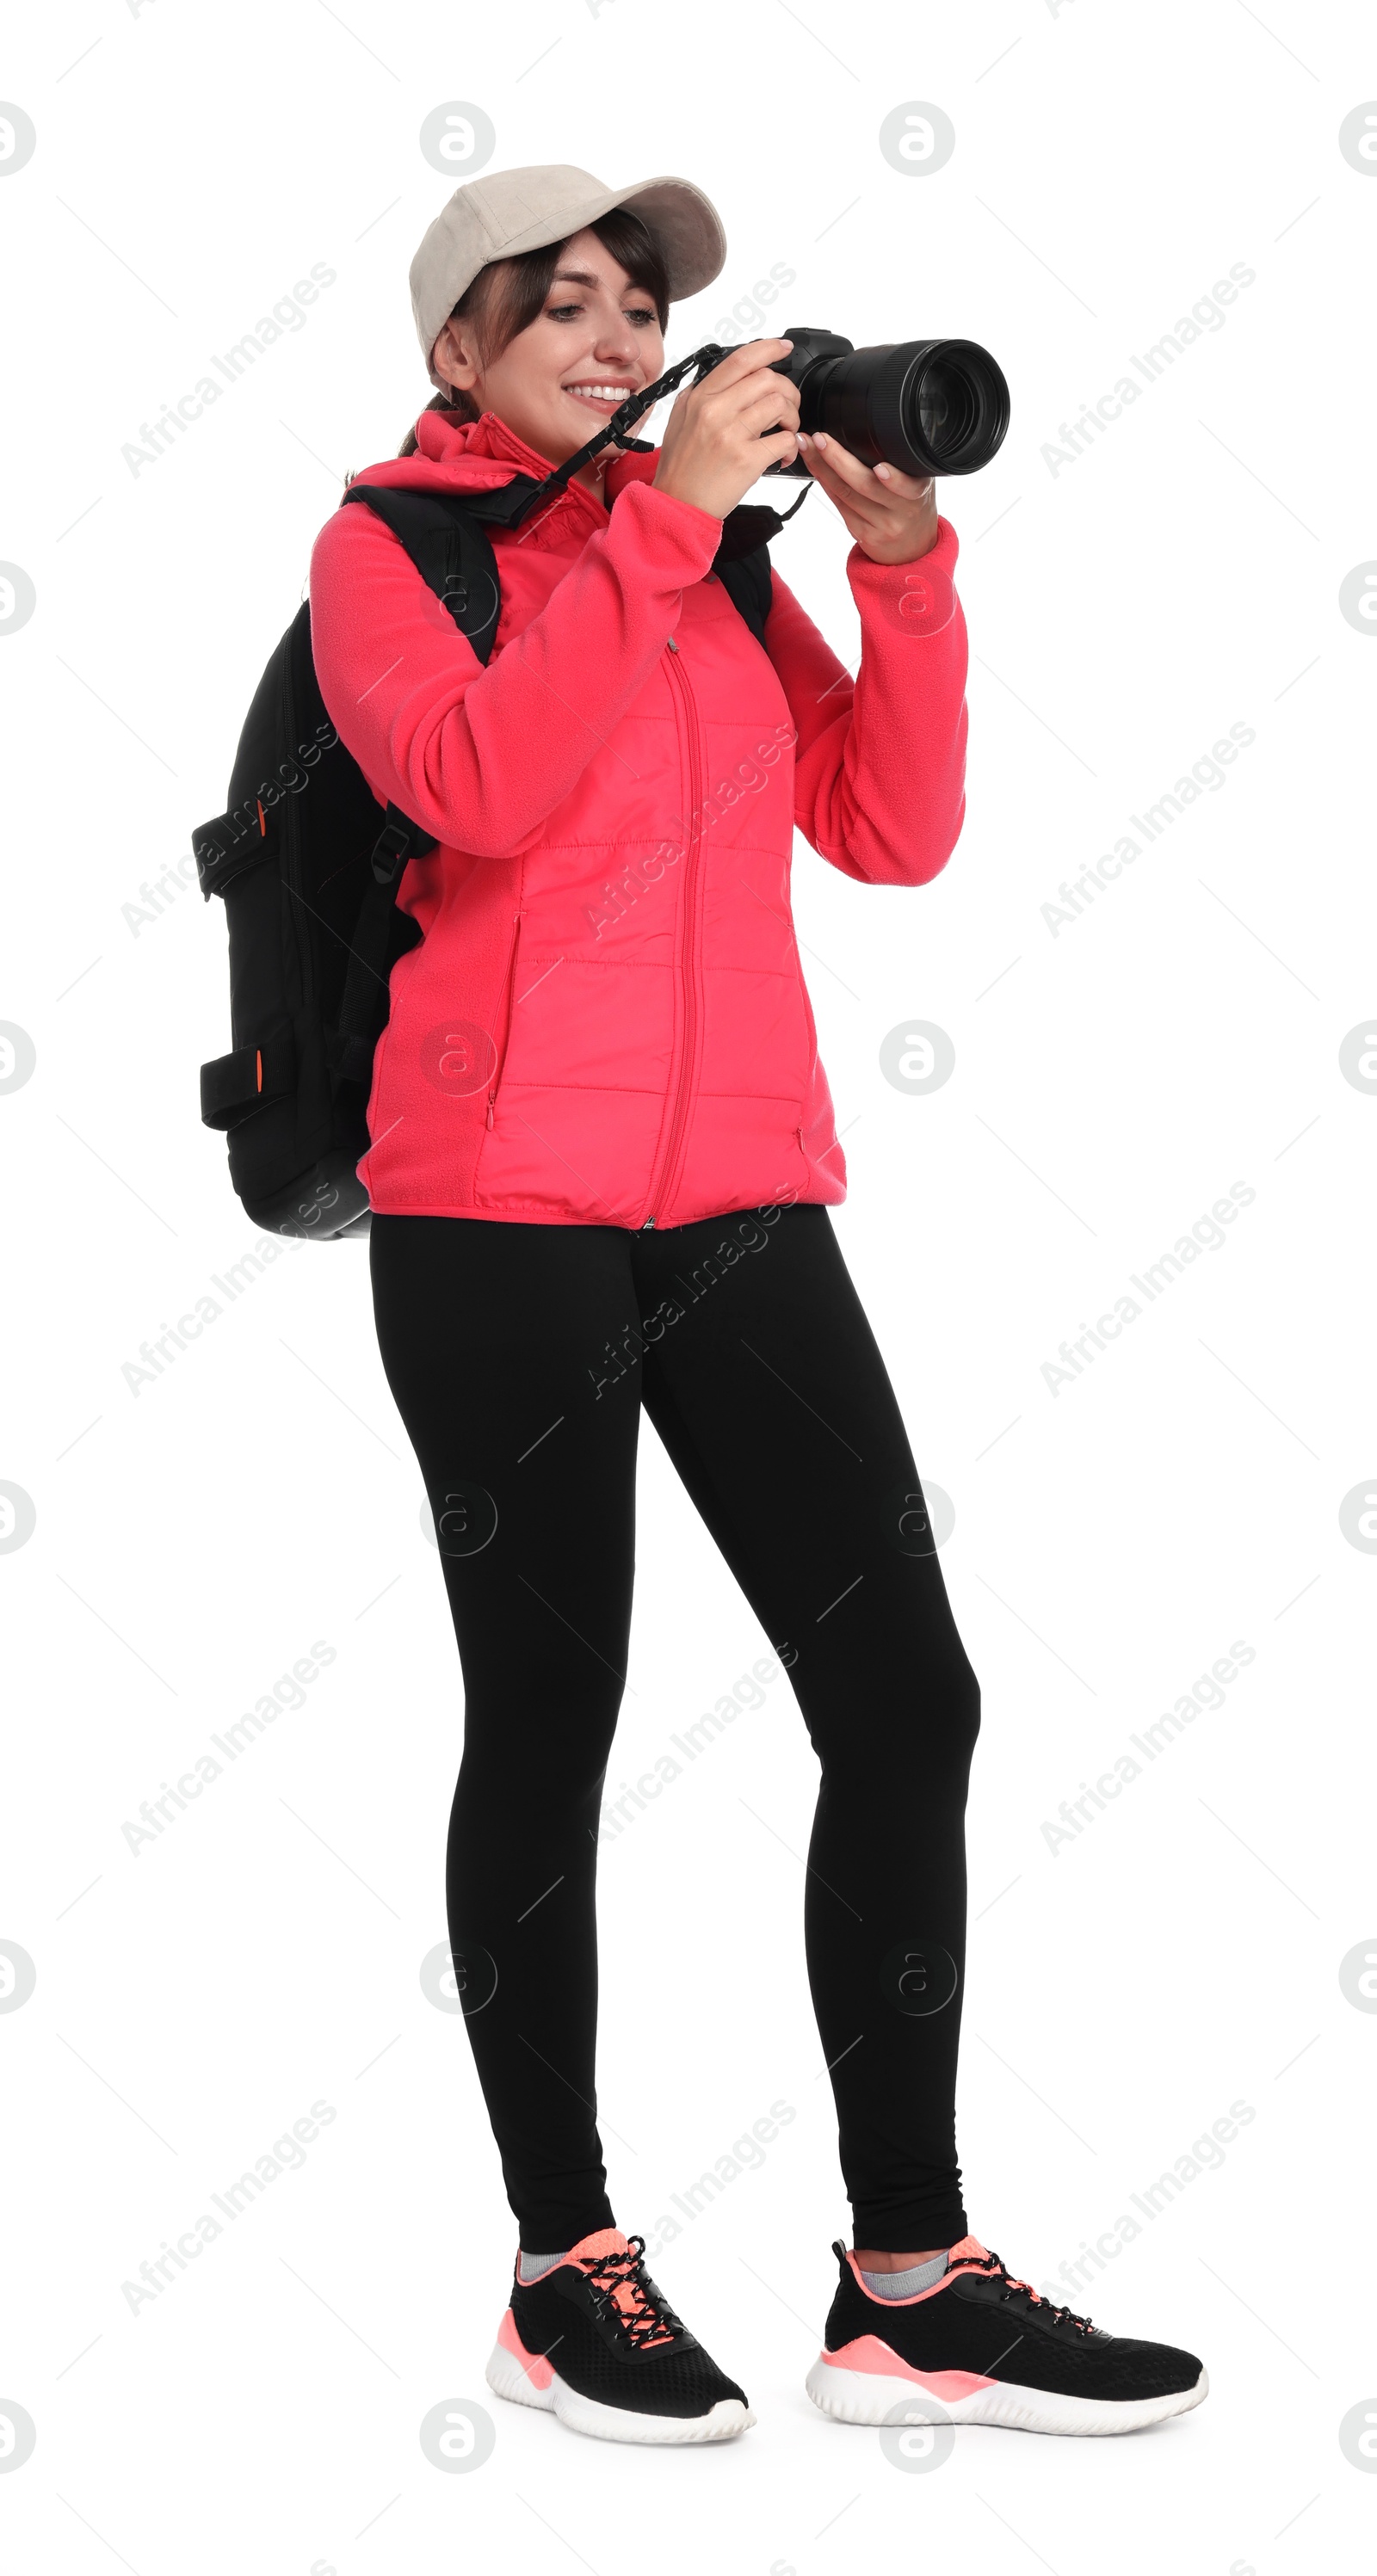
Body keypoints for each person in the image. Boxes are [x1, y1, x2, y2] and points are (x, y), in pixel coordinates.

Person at [308, 163, 1207, 2445]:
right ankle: (560, 2258)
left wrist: (898, 576)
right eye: (567, 309)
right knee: (554, 1715)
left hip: (738, 1202)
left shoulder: (706, 560)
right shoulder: (390, 556)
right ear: (461, 356)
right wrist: (660, 525)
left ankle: (907, 2273)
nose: (625, 342)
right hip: (495, 1213)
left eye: (646, 305)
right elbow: (478, 782)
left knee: (908, 1696)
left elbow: (886, 829)